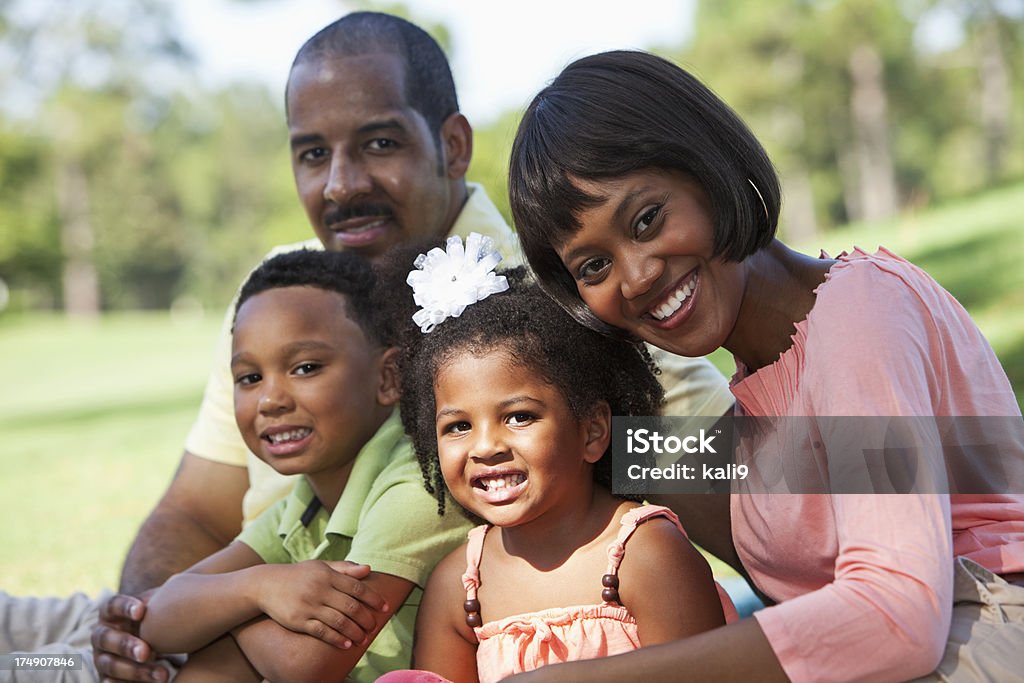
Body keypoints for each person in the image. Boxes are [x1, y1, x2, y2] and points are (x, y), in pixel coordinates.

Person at [80, 14, 733, 683]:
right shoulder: (285, 298)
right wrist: (138, 627)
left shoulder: (555, 301)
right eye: (312, 154)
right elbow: (195, 507)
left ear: (452, 146)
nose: (339, 184)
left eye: (379, 143)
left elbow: (737, 472)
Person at [505, 50, 1024, 682]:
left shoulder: (859, 312)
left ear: (709, 168)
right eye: (593, 267)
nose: (635, 277)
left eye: (647, 219)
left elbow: (900, 613)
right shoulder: (755, 402)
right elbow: (620, 456)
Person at [374, 235, 735, 683]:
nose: (485, 447)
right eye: (458, 427)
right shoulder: (460, 586)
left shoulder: (646, 555)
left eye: (519, 416)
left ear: (592, 430)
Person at [138, 247, 471, 683]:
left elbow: (307, 665)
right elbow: (153, 617)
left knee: (217, 646)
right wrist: (257, 589)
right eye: (249, 378)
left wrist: (224, 611)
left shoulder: (420, 484)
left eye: (306, 367)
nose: (271, 400)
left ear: (388, 377)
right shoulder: (305, 505)